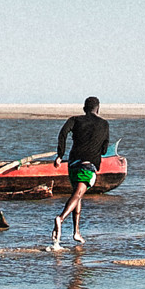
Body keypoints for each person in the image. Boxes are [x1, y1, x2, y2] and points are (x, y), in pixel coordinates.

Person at [52, 96, 109, 246]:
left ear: (84, 109)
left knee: (77, 195)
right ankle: (61, 218)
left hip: (73, 164)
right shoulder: (104, 124)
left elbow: (63, 133)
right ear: (98, 109)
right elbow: (104, 150)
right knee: (77, 194)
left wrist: (60, 155)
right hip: (88, 165)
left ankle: (76, 232)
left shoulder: (75, 120)